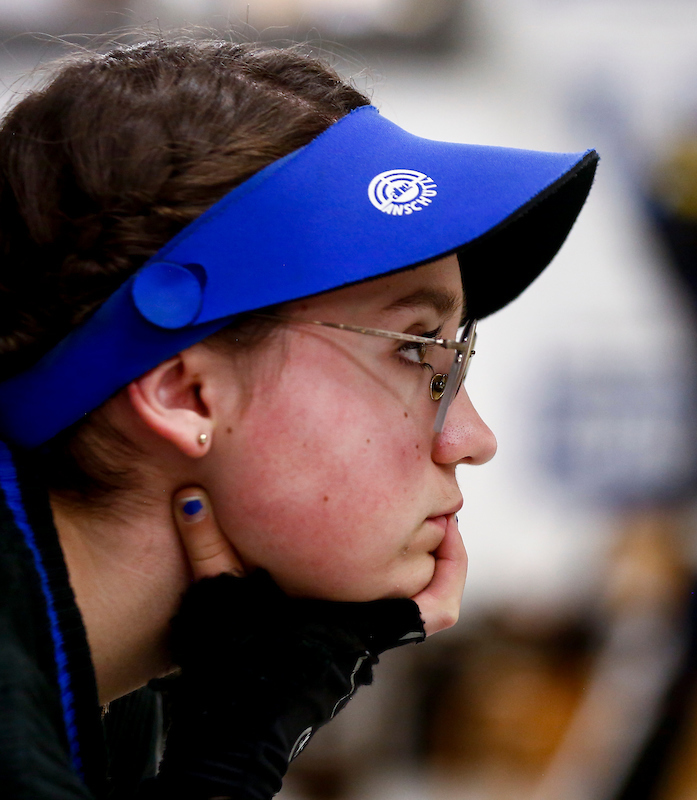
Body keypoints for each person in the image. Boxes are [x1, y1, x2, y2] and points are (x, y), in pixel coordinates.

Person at [0, 38, 598, 799]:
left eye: (459, 355)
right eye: (418, 351)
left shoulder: (97, 690)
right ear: (186, 395)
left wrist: (240, 737)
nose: (471, 440)